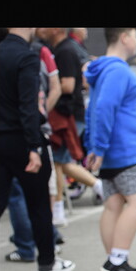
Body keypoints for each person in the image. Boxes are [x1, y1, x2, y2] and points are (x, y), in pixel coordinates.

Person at [0, 27, 75, 271]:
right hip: (23, 139)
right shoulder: (27, 56)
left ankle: (46, 259)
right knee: (39, 203)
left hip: (0, 138)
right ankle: (47, 262)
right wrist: (33, 146)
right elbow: (28, 105)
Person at [83, 28, 136, 271]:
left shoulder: (104, 70)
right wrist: (97, 147)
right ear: (124, 37)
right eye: (134, 35)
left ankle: (115, 258)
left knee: (113, 204)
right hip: (125, 149)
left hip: (111, 149)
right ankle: (117, 260)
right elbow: (102, 109)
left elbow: (94, 109)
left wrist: (95, 147)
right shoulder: (118, 70)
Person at [36, 27, 101, 226]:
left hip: (67, 116)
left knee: (56, 162)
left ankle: (58, 211)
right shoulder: (64, 48)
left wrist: (49, 83)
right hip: (68, 115)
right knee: (61, 162)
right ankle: (97, 186)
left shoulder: (64, 51)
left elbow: (67, 85)